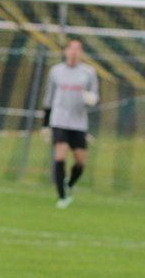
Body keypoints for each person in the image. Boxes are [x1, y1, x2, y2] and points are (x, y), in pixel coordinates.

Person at [42, 38, 99, 209]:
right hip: (59, 120)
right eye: (71, 48)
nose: (74, 52)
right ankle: (61, 197)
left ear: (81, 52)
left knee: (80, 162)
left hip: (78, 122)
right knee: (60, 155)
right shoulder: (56, 71)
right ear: (65, 51)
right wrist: (45, 124)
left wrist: (91, 99)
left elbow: (94, 95)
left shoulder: (88, 72)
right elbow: (49, 97)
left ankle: (69, 184)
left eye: (77, 49)